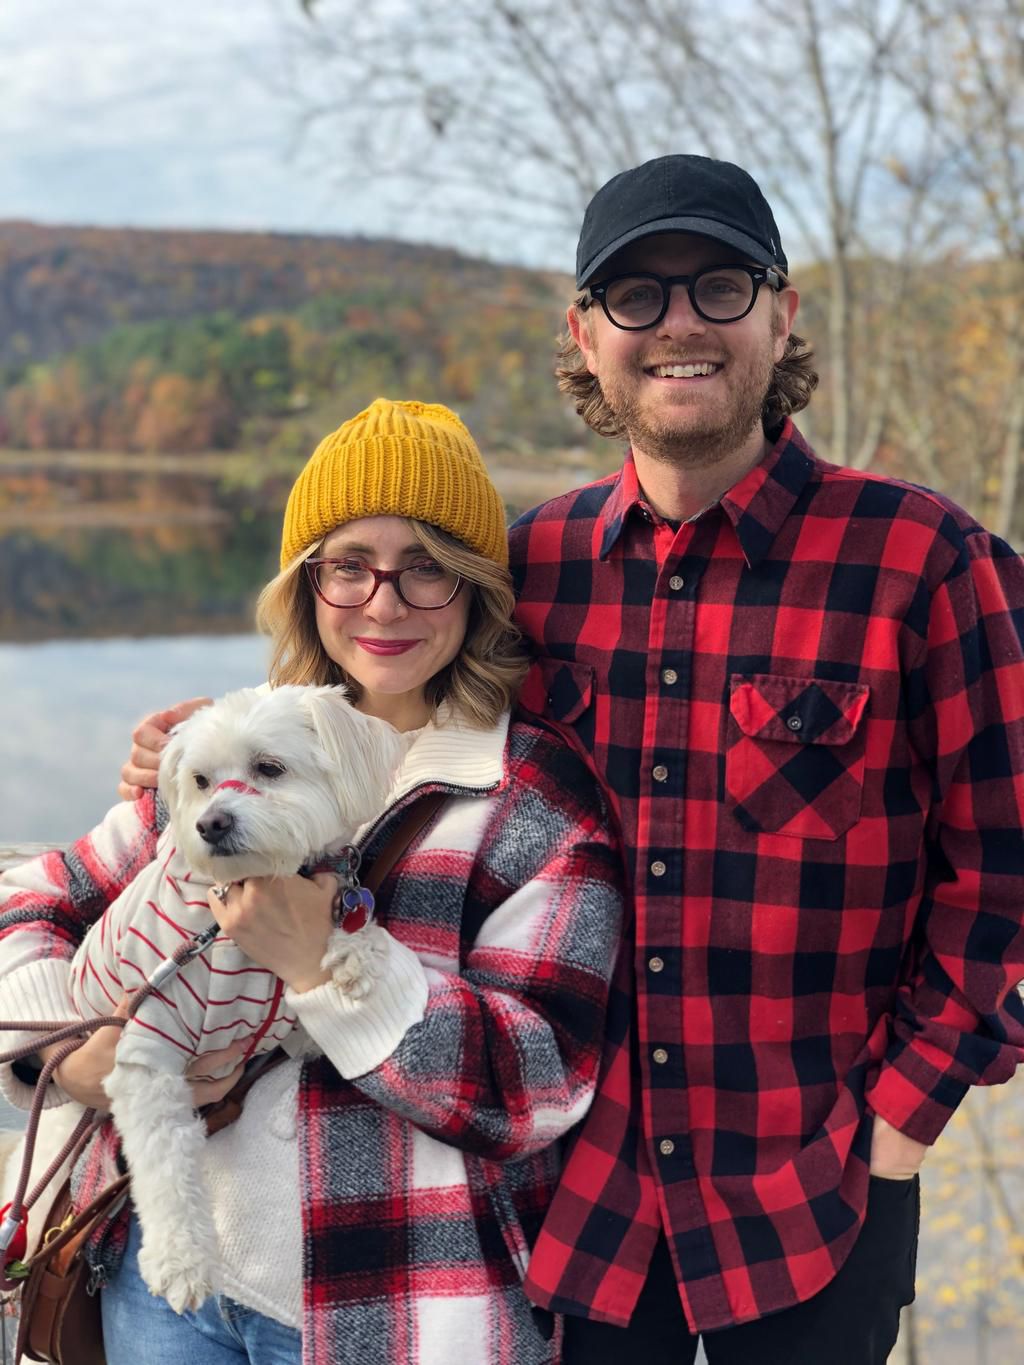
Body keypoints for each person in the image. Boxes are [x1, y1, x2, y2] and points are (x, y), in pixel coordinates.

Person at [503, 154, 1024, 1364]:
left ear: (780, 314)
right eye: (635, 295)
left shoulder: (925, 560)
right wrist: (187, 763)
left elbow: (1003, 864)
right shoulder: (528, 570)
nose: (678, 323)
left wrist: (908, 1109)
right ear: (584, 336)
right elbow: (380, 740)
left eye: (718, 286)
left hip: (816, 1198)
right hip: (568, 1202)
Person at [0, 398, 625, 1365]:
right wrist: (69, 1058)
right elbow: (32, 899)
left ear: (474, 592)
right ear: (307, 584)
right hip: (166, 1281)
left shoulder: (532, 801)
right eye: (348, 564)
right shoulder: (233, 749)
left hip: (399, 1304)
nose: (384, 601)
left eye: (427, 566)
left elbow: (541, 1082)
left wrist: (328, 966)